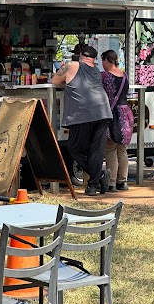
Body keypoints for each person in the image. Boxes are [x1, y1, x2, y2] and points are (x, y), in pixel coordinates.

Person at [51, 46, 112, 196]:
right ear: (94, 59)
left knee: (74, 148)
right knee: (96, 150)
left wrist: (66, 82)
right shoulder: (96, 71)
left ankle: (98, 177)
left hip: (83, 113)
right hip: (103, 111)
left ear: (80, 55)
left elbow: (55, 80)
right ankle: (93, 185)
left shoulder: (72, 65)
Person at [101, 50, 134, 191]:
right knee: (122, 149)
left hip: (111, 114)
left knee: (110, 148)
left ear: (107, 61)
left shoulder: (105, 76)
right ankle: (123, 181)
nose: (102, 64)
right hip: (125, 113)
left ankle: (111, 182)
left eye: (103, 61)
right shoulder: (125, 76)